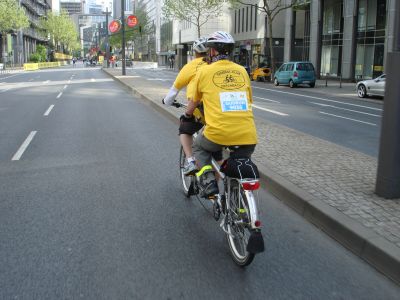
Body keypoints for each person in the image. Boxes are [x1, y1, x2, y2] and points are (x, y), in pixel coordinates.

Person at [185, 31, 258, 197]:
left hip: (217, 134)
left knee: (198, 146)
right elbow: (249, 100)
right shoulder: (242, 71)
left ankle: (209, 181)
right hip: (248, 135)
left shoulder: (204, 72)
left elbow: (194, 101)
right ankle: (236, 203)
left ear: (212, 51)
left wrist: (187, 115)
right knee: (235, 162)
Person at [162, 37, 209, 175]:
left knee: (185, 129)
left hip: (200, 110)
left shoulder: (190, 66)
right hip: (219, 110)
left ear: (194, 52)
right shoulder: (213, 64)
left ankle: (190, 161)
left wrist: (167, 101)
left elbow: (174, 90)